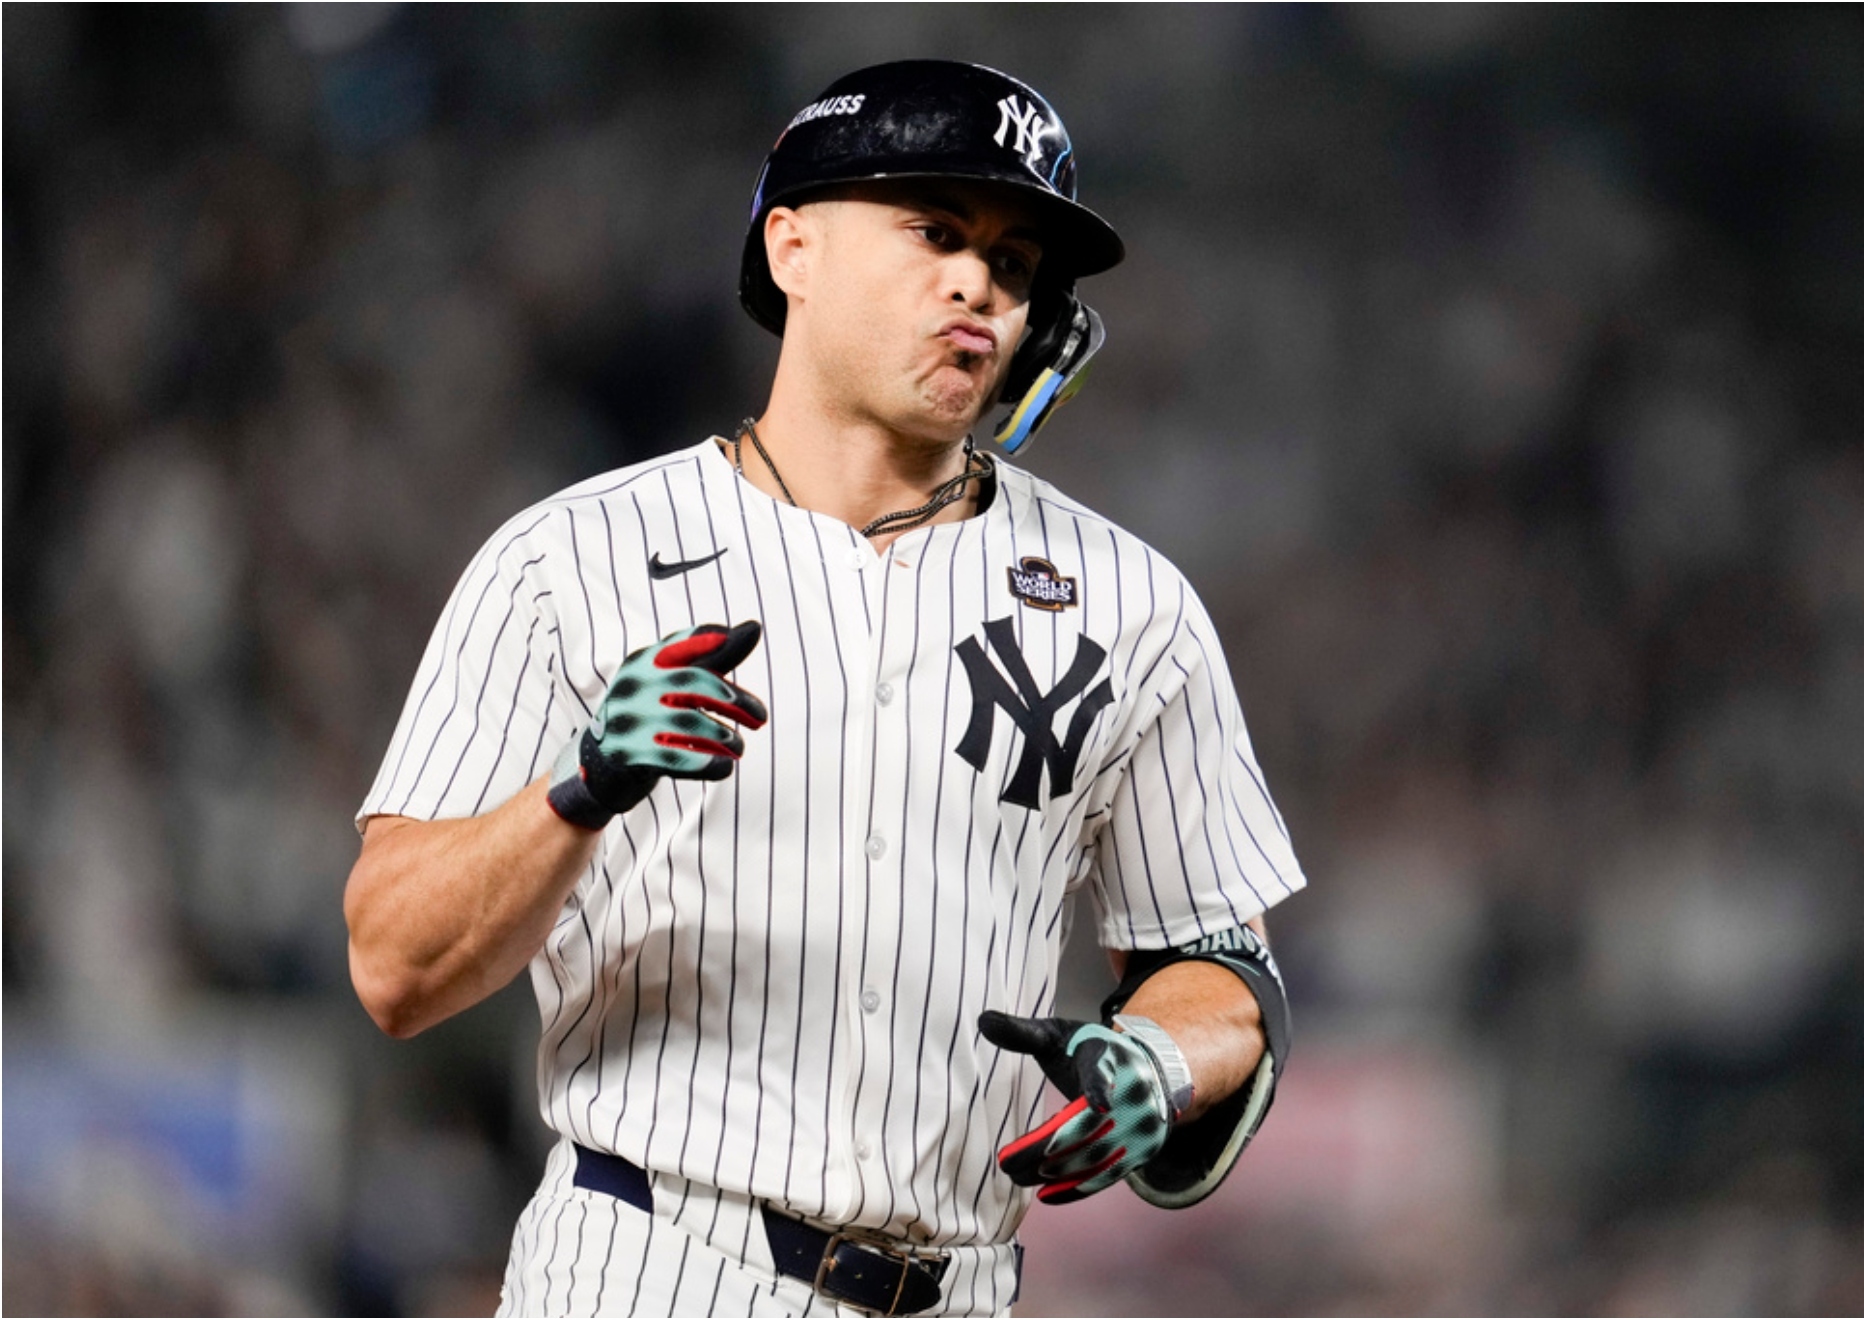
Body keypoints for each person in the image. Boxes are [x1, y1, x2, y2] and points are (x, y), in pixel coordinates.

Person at [345, 59, 1306, 1318]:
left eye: (1015, 263)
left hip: (960, 1287)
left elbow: (1224, 967)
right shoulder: (566, 562)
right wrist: (575, 794)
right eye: (934, 232)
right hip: (650, 1264)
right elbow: (394, 965)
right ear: (792, 248)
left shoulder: (1133, 605)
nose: (978, 284)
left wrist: (1162, 1058)